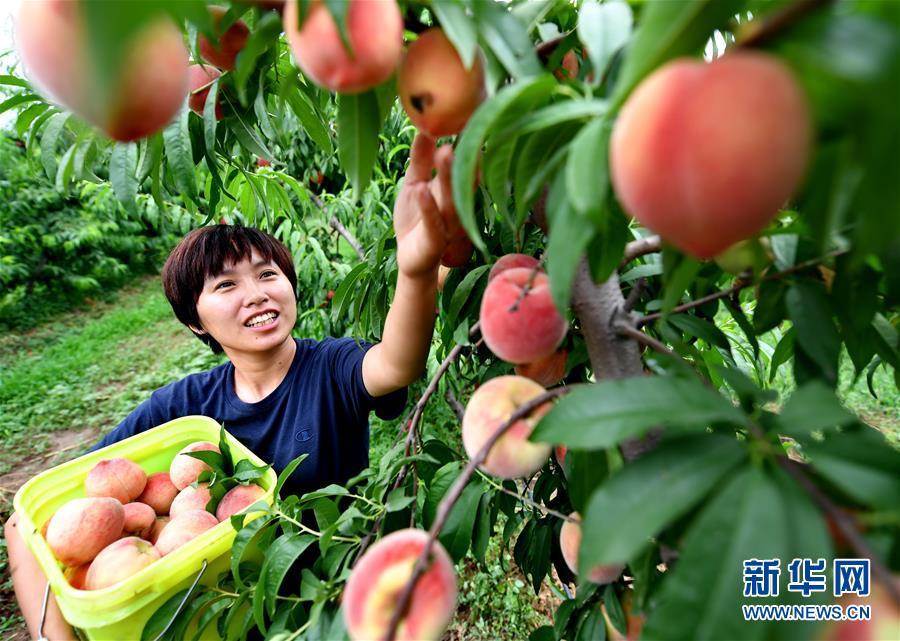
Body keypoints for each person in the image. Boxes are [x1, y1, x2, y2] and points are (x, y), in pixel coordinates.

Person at [4, 133, 457, 640]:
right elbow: (28, 520)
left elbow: (396, 365)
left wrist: (414, 272)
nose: (257, 294)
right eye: (225, 285)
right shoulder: (182, 407)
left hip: (321, 607)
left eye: (268, 274)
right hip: (211, 617)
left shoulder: (330, 367)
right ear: (195, 322)